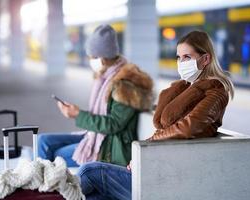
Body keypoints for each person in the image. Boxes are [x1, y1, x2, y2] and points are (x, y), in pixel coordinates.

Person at [77, 30, 235, 200]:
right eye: (178, 57)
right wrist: (142, 155)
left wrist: (146, 148)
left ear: (205, 59)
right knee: (96, 192)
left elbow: (188, 128)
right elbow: (168, 127)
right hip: (161, 165)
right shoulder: (185, 88)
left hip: (176, 176)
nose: (181, 62)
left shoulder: (216, 91)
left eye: (187, 57)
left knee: (88, 172)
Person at [38, 24, 153, 168]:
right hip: (96, 137)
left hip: (110, 147)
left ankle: (47, 184)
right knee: (43, 141)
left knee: (56, 155)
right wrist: (77, 113)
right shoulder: (105, 77)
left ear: (102, 58)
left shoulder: (125, 84)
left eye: (92, 57)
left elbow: (113, 125)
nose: (89, 60)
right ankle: (43, 182)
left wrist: (78, 115)